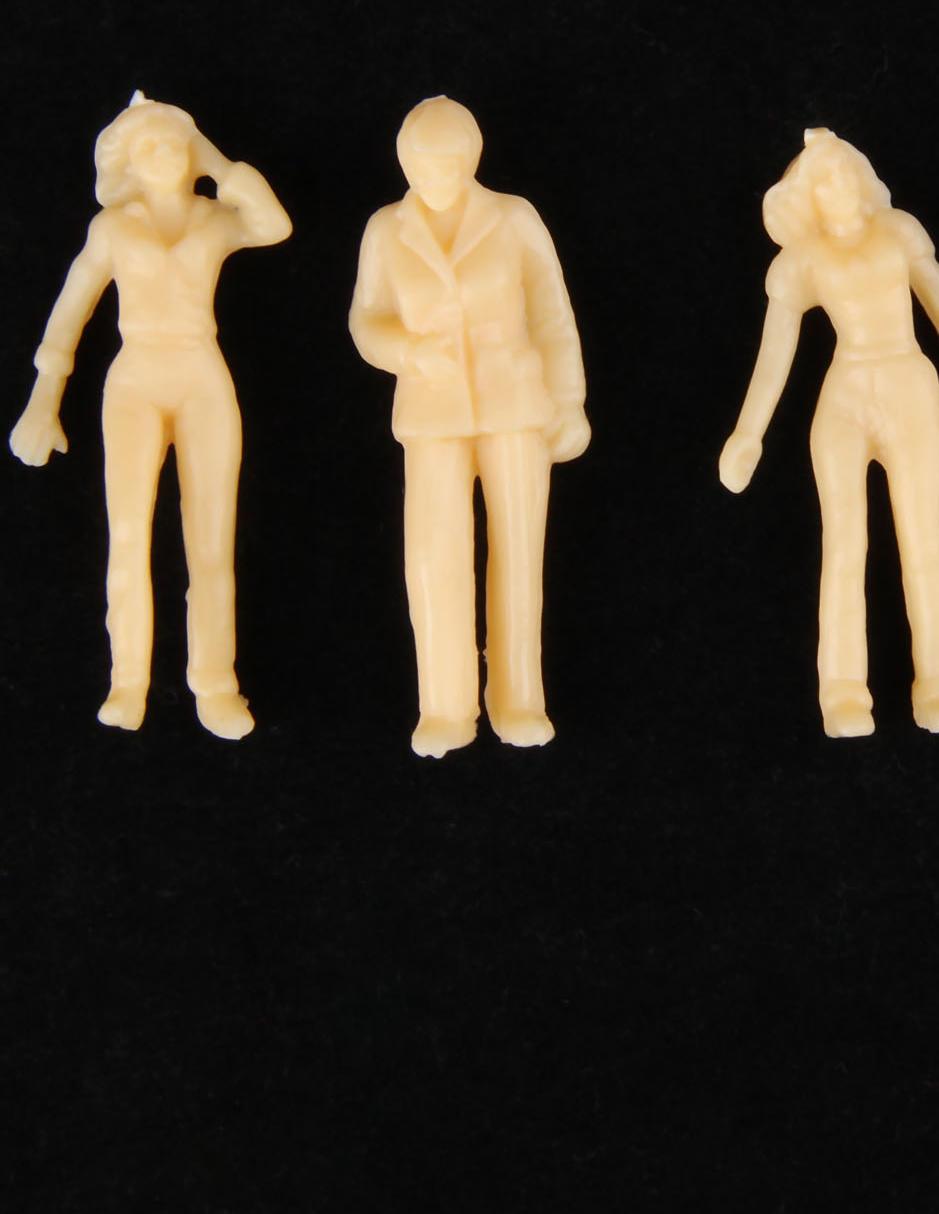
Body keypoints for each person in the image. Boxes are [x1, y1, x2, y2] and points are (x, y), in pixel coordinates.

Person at [9, 90, 292, 738]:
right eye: (148, 147)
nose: (164, 154)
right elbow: (71, 308)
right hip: (135, 380)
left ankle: (215, 684)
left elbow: (274, 225)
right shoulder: (113, 228)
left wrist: (215, 161)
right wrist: (44, 398)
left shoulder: (214, 219)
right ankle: (127, 681)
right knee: (129, 535)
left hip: (202, 376)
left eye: (173, 144)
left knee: (211, 541)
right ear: (127, 164)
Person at [719, 127, 939, 738]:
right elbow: (774, 357)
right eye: (822, 182)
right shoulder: (801, 262)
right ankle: (844, 692)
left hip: (910, 389)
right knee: (844, 544)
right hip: (845, 400)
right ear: (806, 200)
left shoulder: (899, 232)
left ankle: (938, 684)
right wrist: (748, 434)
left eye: (843, 173)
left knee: (924, 540)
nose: (838, 187)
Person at [350, 96, 589, 757]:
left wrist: (570, 401)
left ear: (472, 158)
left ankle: (519, 699)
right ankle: (444, 706)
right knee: (434, 558)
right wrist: (408, 352)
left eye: (449, 162)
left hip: (516, 407)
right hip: (432, 415)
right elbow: (366, 320)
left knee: (519, 555)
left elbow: (551, 312)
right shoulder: (386, 230)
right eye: (423, 163)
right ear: (405, 161)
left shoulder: (513, 218)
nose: (436, 175)